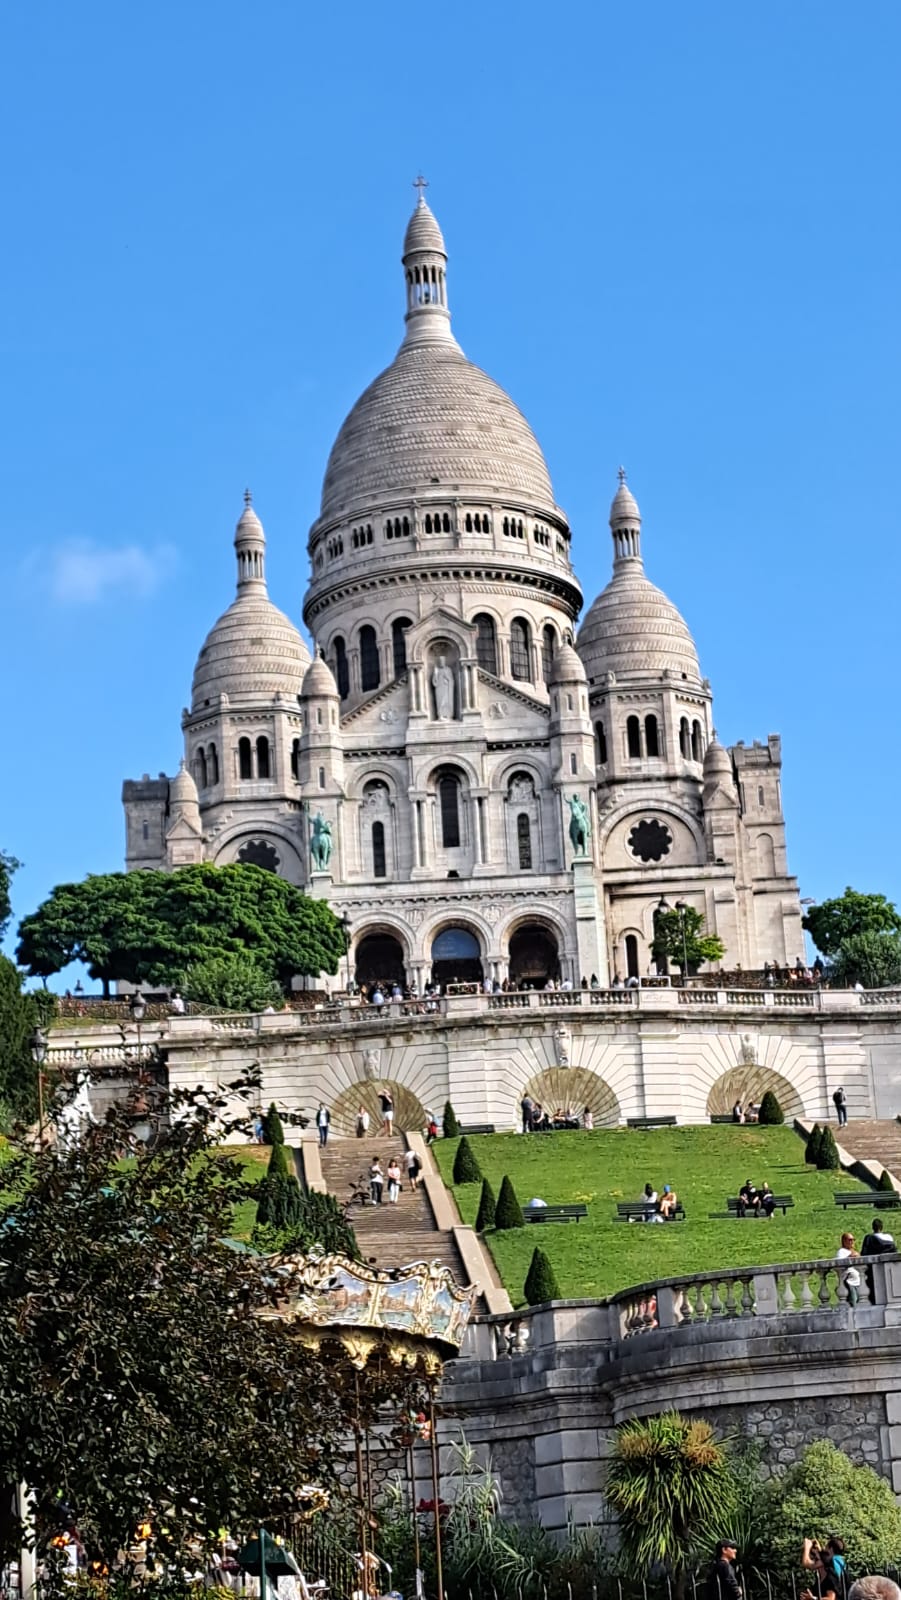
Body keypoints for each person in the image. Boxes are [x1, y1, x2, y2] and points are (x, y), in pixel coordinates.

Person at [836, 1231, 862, 1306]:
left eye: (853, 1240)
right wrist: (850, 1257)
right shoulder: (841, 1252)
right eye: (850, 1240)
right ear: (844, 1241)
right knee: (853, 1304)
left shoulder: (854, 1251)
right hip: (849, 1283)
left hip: (858, 1283)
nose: (852, 1242)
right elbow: (839, 1265)